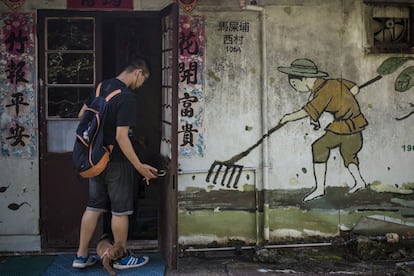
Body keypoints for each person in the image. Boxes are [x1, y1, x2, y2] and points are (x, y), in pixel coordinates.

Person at [72, 56, 158, 269]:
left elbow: (82, 114)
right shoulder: (127, 97)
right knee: (120, 210)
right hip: (117, 161)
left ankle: (81, 257)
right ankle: (121, 257)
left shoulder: (102, 86)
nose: (141, 85)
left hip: (96, 159)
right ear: (138, 72)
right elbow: (121, 137)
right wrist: (140, 167)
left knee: (93, 206)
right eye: (143, 81)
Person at [277, 58, 367, 202]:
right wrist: (342, 99)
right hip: (355, 126)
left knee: (319, 146)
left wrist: (288, 117)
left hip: (344, 127)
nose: (295, 88)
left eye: (294, 84)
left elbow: (307, 111)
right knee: (349, 154)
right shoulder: (335, 82)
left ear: (305, 78)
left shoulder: (323, 93)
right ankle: (359, 182)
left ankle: (319, 189)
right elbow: (355, 88)